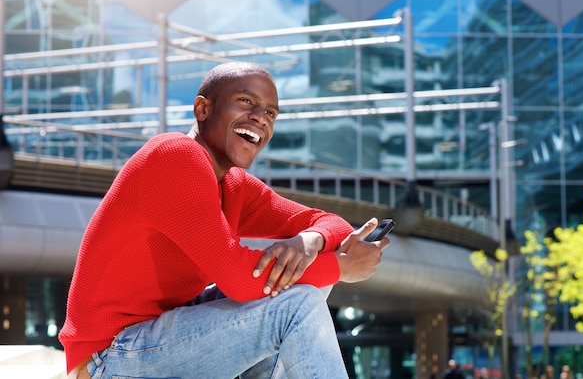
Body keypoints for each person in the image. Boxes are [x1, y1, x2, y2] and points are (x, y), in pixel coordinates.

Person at [58, 61, 391, 379]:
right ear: (203, 109)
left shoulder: (230, 184)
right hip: (106, 361)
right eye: (247, 101)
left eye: (271, 113)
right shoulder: (176, 156)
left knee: (311, 279)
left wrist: (310, 240)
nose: (261, 118)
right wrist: (341, 267)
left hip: (152, 342)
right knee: (297, 302)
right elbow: (237, 278)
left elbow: (329, 222)